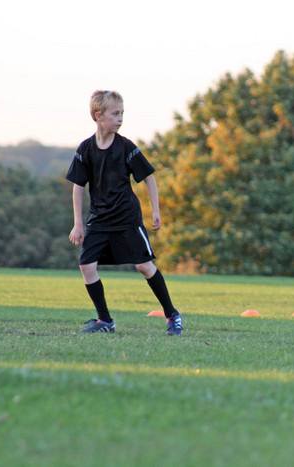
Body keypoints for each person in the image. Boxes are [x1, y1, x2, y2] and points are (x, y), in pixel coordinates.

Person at [66, 90, 183, 335]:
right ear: (98, 115)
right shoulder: (85, 149)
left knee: (144, 266)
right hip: (99, 220)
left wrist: (156, 211)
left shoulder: (126, 147)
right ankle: (105, 320)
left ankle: (172, 315)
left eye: (122, 114)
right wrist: (78, 224)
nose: (120, 119)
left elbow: (149, 178)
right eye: (115, 114)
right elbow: (78, 187)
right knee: (87, 266)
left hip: (127, 218)